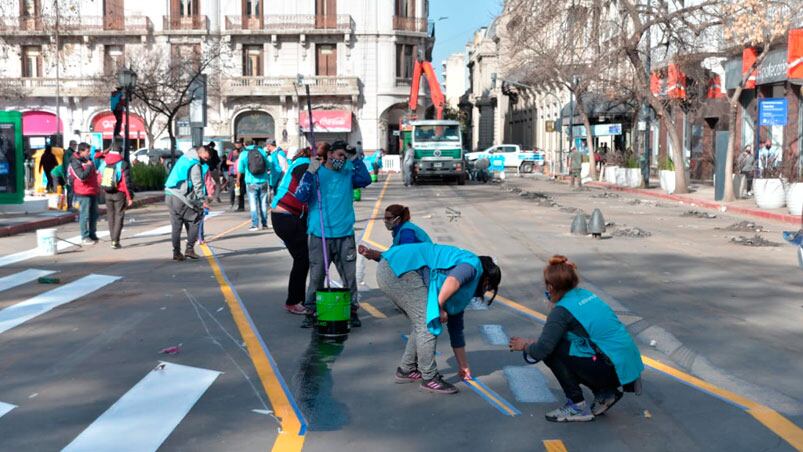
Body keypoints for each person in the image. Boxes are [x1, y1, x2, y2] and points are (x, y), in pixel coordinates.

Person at [509, 256, 643, 422]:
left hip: (613, 367)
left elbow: (541, 350)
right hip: (627, 364)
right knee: (567, 345)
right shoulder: (586, 295)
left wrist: (525, 345)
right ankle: (605, 392)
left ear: (550, 287)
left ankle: (576, 406)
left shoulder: (561, 311)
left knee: (553, 352)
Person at [374, 242, 502, 394]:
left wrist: (463, 365)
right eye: (487, 288)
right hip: (398, 270)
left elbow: (456, 330)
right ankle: (429, 378)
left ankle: (406, 369)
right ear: (486, 281)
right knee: (428, 321)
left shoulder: (462, 288)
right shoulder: (472, 265)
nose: (484, 292)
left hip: (393, 269)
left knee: (421, 322)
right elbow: (452, 280)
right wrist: (439, 307)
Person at [295, 141, 372, 329]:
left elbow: (366, 179)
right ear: (329, 154)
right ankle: (311, 311)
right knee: (317, 275)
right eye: (339, 155)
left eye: (345, 157)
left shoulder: (348, 173)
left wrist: (356, 159)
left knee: (349, 276)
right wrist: (309, 173)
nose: (342, 160)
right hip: (319, 234)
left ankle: (352, 310)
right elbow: (300, 196)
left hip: (344, 234)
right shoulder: (317, 174)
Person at [271, 146, 313, 315]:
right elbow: (304, 189)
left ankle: (298, 299)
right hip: (285, 216)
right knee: (303, 259)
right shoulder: (304, 165)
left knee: (302, 258)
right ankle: (294, 301)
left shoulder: (298, 162)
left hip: (285, 216)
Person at [164, 146, 211, 261]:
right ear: (202, 152)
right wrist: (202, 201)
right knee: (196, 219)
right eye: (207, 156)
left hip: (169, 194)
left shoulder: (184, 158)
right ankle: (189, 249)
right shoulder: (194, 164)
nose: (207, 159)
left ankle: (176, 252)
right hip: (180, 197)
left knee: (176, 226)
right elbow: (197, 184)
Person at [98, 143, 134, 249]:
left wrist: (103, 188)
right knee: (119, 216)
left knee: (110, 216)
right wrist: (129, 197)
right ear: (120, 151)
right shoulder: (123, 163)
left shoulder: (104, 162)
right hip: (119, 193)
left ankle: (112, 238)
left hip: (107, 193)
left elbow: (99, 176)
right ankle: (115, 241)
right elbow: (126, 182)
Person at [68, 143, 100, 245]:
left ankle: (92, 234)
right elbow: (82, 176)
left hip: (92, 190)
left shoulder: (88, 160)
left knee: (94, 214)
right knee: (84, 215)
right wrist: (89, 167)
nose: (89, 153)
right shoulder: (75, 162)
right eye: (87, 151)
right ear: (81, 151)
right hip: (83, 192)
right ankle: (84, 236)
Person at [238, 141, 271, 231]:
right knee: (263, 203)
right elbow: (268, 164)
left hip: (250, 181)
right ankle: (264, 223)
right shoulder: (261, 151)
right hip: (263, 180)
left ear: (245, 144)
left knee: (253, 204)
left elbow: (240, 169)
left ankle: (255, 224)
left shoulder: (243, 154)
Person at [229, 139, 246, 211]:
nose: (238, 144)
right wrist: (235, 163)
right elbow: (227, 161)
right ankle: (232, 203)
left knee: (241, 191)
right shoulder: (232, 152)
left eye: (239, 143)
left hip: (242, 173)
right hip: (233, 174)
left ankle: (241, 206)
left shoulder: (244, 152)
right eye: (236, 143)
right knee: (233, 190)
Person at [63, 140, 77, 208]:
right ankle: (70, 206)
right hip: (69, 174)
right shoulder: (68, 153)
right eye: (75, 145)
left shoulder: (71, 152)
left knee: (72, 191)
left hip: (72, 174)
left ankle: (71, 205)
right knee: (70, 191)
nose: (76, 146)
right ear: (71, 145)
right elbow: (67, 164)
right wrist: (68, 174)